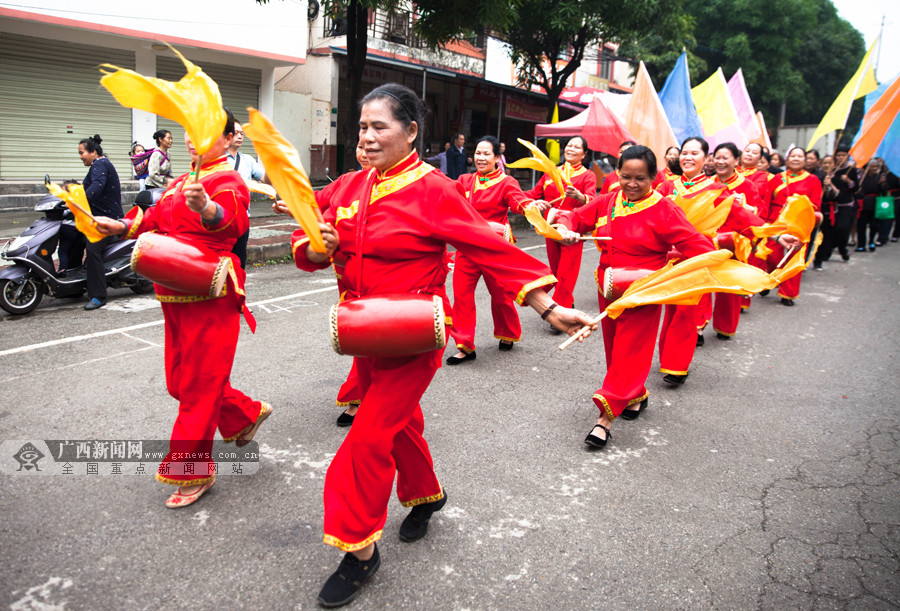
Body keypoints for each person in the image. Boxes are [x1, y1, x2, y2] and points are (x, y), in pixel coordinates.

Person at [290, 83, 594, 608]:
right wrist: (320, 247)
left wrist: (546, 305)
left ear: (410, 132)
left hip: (412, 335)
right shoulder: (346, 186)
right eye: (361, 127)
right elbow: (308, 241)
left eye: (379, 126)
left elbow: (487, 245)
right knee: (399, 426)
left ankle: (360, 551)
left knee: (365, 441)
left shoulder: (433, 188)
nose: (367, 137)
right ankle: (428, 497)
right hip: (364, 333)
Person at [94, 109, 271, 509]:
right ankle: (244, 414)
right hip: (173, 290)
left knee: (198, 386)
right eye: (191, 132)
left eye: (207, 133)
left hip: (211, 293)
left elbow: (233, 223)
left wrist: (208, 209)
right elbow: (154, 218)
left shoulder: (226, 180)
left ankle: (192, 470)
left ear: (228, 139)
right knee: (179, 382)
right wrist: (120, 226)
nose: (194, 138)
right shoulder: (183, 179)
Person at [555, 145, 715, 449]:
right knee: (616, 349)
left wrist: (723, 260)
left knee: (631, 349)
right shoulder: (608, 201)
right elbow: (574, 218)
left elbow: (696, 244)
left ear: (654, 177)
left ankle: (604, 419)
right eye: (625, 176)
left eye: (640, 178)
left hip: (643, 291)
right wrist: (566, 229)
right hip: (609, 288)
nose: (631, 184)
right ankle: (635, 394)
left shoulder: (664, 209)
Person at [276, 142, 371, 428]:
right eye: (360, 143)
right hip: (348, 279)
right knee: (361, 338)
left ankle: (363, 397)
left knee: (375, 339)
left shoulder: (413, 184)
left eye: (374, 138)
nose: (364, 150)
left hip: (389, 284)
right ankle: (365, 393)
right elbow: (318, 201)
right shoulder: (347, 181)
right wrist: (292, 203)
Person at [446, 135, 532, 364]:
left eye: (486, 154)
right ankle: (464, 345)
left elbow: (517, 202)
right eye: (478, 153)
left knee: (501, 296)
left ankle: (508, 332)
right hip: (468, 246)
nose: (480, 158)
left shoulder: (506, 182)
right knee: (462, 296)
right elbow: (452, 205)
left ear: (497, 158)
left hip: (496, 249)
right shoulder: (464, 180)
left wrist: (530, 206)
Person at [524, 136, 597, 314]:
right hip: (551, 228)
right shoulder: (551, 172)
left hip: (573, 230)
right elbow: (534, 194)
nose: (571, 149)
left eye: (577, 147)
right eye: (569, 145)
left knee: (567, 272)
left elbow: (593, 202)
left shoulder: (588, 175)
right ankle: (566, 302)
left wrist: (579, 196)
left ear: (584, 154)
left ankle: (560, 311)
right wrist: (528, 200)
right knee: (556, 271)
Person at [709, 142, 765, 339]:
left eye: (725, 158)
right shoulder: (707, 183)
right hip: (708, 238)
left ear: (736, 160)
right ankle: (698, 325)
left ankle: (725, 326)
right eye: (717, 157)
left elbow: (759, 213)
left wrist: (745, 207)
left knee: (729, 286)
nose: (721, 161)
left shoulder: (747, 185)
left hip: (734, 240)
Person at [766, 146, 823, 306]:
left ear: (805, 160)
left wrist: (798, 203)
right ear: (787, 159)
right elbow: (767, 201)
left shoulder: (813, 180)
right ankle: (772, 278)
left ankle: (788, 294)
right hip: (776, 221)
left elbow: (816, 205)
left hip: (798, 223)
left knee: (793, 258)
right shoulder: (777, 178)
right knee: (771, 255)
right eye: (793, 156)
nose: (796, 159)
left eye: (800, 156)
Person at [78, 135, 124, 311]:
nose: (80, 156)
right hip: (96, 217)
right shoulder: (97, 166)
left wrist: (79, 201)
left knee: (93, 249)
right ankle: (74, 284)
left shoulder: (100, 165)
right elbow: (85, 188)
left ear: (93, 152)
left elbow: (96, 187)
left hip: (108, 220)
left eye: (82, 153)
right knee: (70, 234)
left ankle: (98, 295)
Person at [226, 121, 267, 269]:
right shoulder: (216, 158)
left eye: (242, 134)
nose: (240, 136)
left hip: (242, 219)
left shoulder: (247, 160)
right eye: (236, 133)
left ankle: (238, 291)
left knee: (239, 263)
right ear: (226, 135)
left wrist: (274, 164)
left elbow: (265, 179)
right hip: (221, 220)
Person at [814, 147, 856, 269]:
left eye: (829, 163)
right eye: (825, 163)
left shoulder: (837, 178)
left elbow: (839, 195)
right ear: (820, 164)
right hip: (814, 208)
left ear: (834, 164)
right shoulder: (815, 176)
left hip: (829, 210)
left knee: (825, 236)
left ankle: (819, 260)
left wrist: (830, 185)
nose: (827, 165)